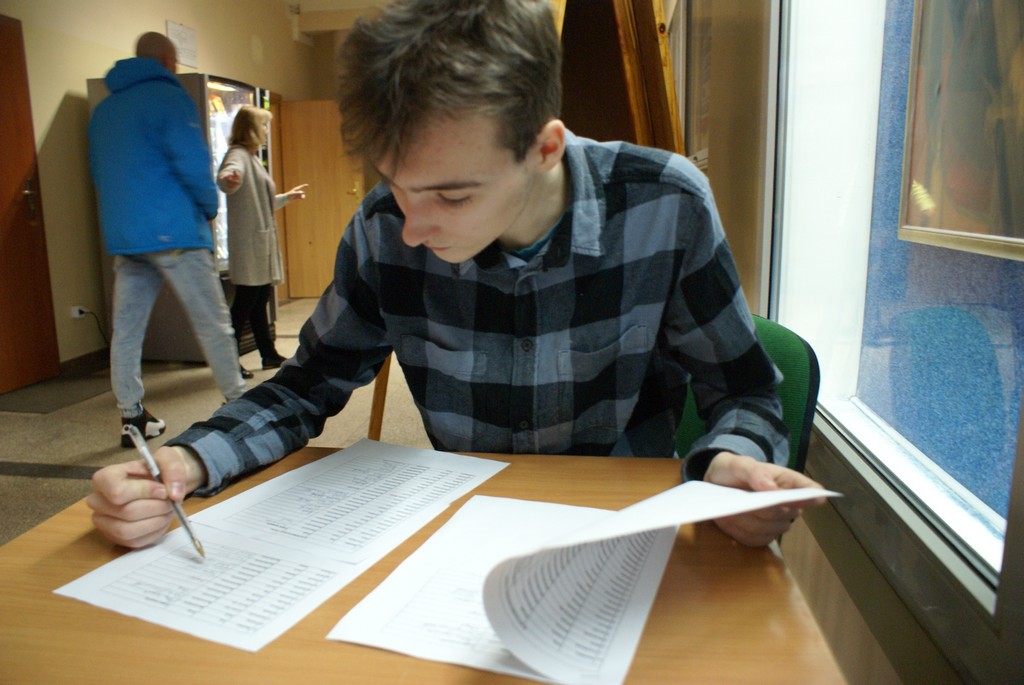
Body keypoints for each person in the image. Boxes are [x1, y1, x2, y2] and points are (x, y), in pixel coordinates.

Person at [88, 0, 826, 549]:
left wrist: (734, 463)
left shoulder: (664, 205)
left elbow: (746, 390)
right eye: (397, 184)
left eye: (451, 195)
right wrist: (190, 458)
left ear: (544, 148)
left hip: (623, 529)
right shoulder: (385, 225)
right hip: (463, 535)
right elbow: (307, 384)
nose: (411, 227)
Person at [89, 32, 246, 448]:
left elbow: (101, 173)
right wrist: (209, 206)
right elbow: (193, 164)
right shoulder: (169, 98)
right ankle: (239, 406)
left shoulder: (104, 110)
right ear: (167, 61)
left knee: (127, 330)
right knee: (212, 324)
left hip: (127, 238)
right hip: (175, 232)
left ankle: (131, 416)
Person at [216, 105, 308, 379]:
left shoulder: (252, 157)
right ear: (251, 129)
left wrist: (287, 197)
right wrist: (228, 180)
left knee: (258, 303)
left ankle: (268, 353)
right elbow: (227, 177)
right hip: (250, 247)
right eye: (263, 126)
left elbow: (260, 202)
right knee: (244, 305)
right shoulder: (237, 155)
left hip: (259, 245)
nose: (266, 131)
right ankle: (229, 362)